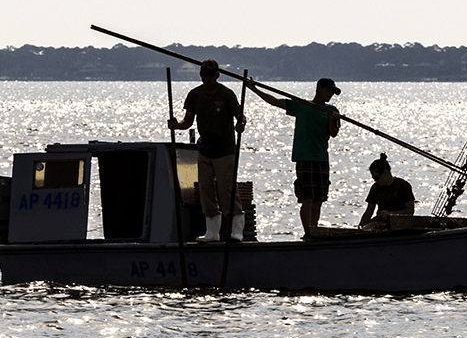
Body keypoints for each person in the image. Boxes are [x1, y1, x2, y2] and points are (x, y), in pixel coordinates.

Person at [246, 77, 341, 233]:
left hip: (321, 158)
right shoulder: (302, 106)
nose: (330, 94)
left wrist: (333, 121)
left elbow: (333, 133)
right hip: (305, 158)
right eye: (328, 91)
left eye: (332, 92)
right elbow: (275, 101)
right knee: (308, 198)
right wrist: (254, 88)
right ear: (319, 89)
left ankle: (314, 230)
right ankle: (308, 231)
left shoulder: (332, 111)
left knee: (319, 199)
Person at [168, 59, 246, 242]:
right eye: (204, 74)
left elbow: (239, 116)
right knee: (205, 188)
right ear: (200, 74)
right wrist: (176, 126)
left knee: (227, 188)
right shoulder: (194, 95)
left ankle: (236, 230)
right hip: (204, 150)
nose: (207, 78)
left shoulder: (227, 94)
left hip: (225, 150)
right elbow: (187, 121)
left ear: (217, 75)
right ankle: (212, 232)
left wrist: (240, 124)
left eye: (211, 74)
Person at [359, 153, 416, 228]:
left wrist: (390, 214)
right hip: (380, 222)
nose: (376, 181)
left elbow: (410, 210)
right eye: (373, 179)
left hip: (400, 223)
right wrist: (360, 226)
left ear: (385, 173)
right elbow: (369, 211)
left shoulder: (403, 186)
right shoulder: (375, 188)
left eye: (377, 177)